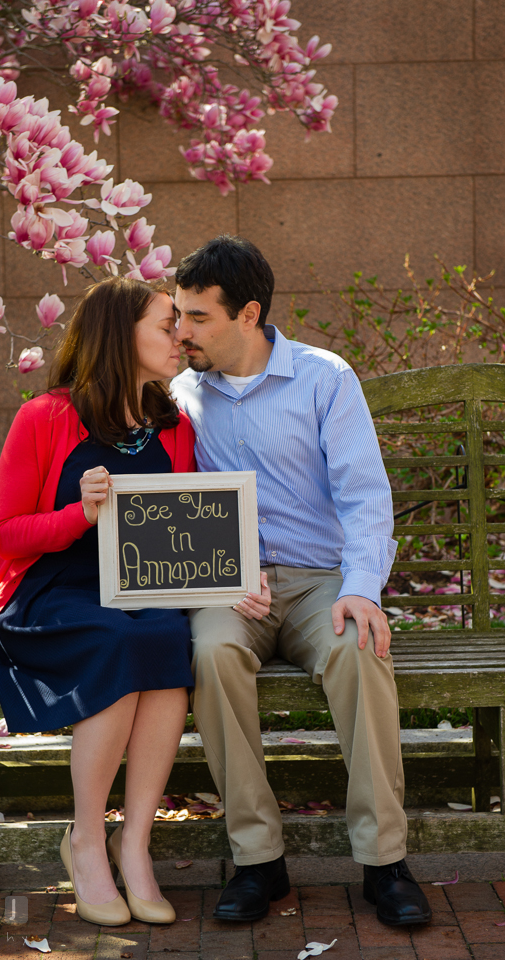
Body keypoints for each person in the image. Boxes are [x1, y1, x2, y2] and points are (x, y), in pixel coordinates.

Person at [0, 276, 269, 927]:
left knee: (166, 639)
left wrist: (238, 572)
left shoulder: (171, 426)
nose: (181, 335)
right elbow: (6, 533)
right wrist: (77, 515)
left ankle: (131, 842)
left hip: (144, 590)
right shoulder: (46, 416)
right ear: (120, 334)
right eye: (165, 324)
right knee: (119, 639)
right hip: (55, 591)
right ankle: (85, 837)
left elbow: (194, 525)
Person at [170, 235, 432, 928]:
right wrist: (219, 578)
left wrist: (360, 588)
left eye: (197, 317)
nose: (181, 331)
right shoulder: (179, 392)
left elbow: (363, 496)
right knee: (211, 654)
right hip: (234, 586)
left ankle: (384, 864)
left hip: (321, 582)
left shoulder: (324, 378)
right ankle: (257, 862)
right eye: (177, 314)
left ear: (247, 314)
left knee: (359, 649)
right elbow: (172, 504)